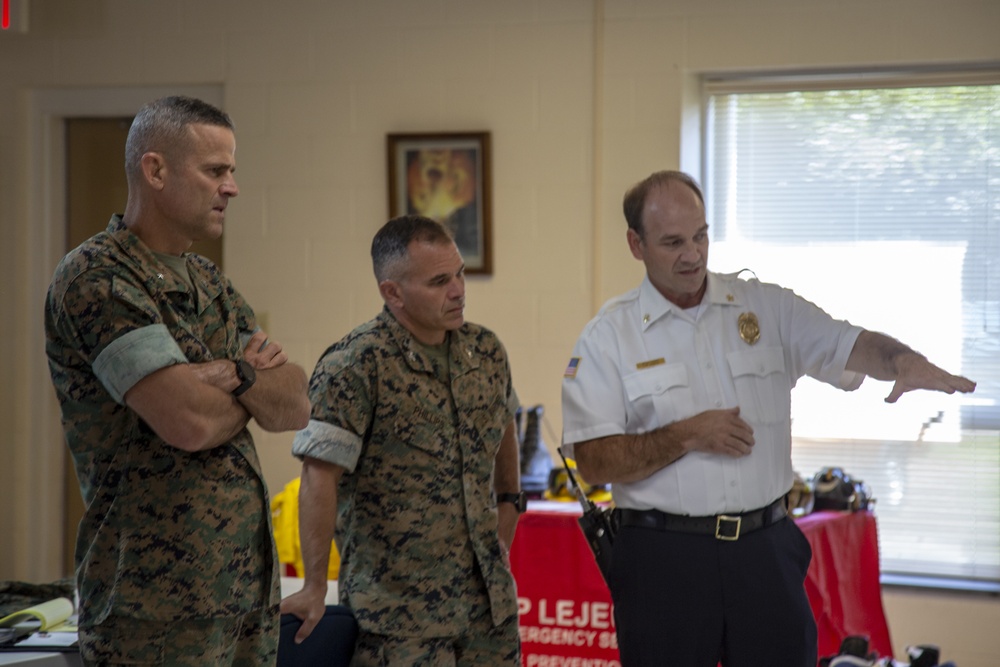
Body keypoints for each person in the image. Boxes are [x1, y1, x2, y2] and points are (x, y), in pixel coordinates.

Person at [560, 170, 976, 667]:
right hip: (665, 559)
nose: (692, 255)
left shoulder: (764, 307)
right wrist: (687, 434)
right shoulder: (609, 336)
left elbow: (848, 342)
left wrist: (901, 361)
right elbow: (595, 463)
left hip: (765, 553)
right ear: (636, 244)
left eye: (700, 236)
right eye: (672, 242)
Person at [44, 96, 311, 665]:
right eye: (216, 171)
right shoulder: (98, 277)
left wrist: (233, 375)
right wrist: (251, 387)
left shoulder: (209, 282)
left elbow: (295, 401)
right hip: (153, 612)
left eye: (232, 171)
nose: (232, 187)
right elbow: (186, 421)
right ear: (156, 170)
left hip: (242, 600)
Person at [280, 215, 523, 666]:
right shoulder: (355, 365)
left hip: (489, 611)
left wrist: (509, 502)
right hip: (398, 619)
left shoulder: (485, 350)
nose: (458, 290)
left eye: (460, 274)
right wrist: (314, 585)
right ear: (393, 292)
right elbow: (318, 477)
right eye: (438, 281)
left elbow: (506, 425)